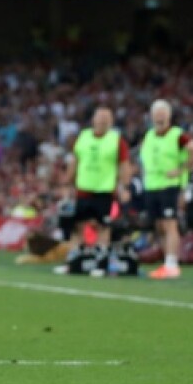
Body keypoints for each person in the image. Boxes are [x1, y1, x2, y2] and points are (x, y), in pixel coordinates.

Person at [55, 107, 131, 276]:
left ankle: (100, 264)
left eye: (106, 119)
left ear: (111, 122)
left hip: (104, 191)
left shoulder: (117, 140)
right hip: (83, 190)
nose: (102, 122)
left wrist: (125, 186)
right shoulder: (83, 137)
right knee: (77, 226)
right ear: (93, 120)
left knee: (103, 227)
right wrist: (67, 182)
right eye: (100, 118)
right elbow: (75, 161)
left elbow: (124, 165)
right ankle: (73, 263)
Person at [139, 99, 193, 280]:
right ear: (151, 116)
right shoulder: (149, 136)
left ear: (169, 115)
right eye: (156, 114)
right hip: (152, 185)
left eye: (163, 113)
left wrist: (181, 169)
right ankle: (166, 261)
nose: (159, 117)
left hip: (170, 185)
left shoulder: (178, 135)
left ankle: (172, 263)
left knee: (170, 223)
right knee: (159, 225)